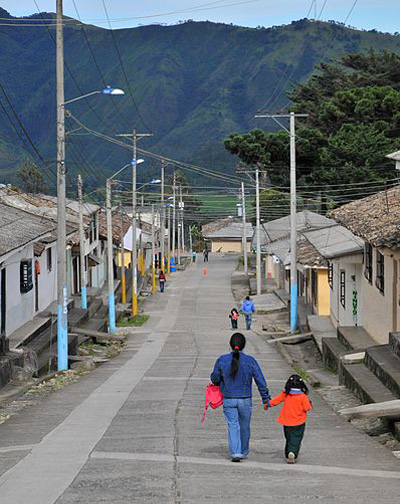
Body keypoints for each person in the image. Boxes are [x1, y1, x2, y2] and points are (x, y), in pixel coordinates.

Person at [211, 333, 270, 462]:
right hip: (245, 400)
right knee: (244, 426)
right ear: (244, 345)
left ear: (230, 344)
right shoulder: (250, 361)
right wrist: (265, 399)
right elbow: (260, 380)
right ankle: (243, 451)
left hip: (228, 399)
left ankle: (235, 452)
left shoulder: (222, 359)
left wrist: (221, 380)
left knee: (233, 425)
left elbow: (214, 378)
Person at [264, 374, 312, 464]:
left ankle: (287, 453)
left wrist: (268, 404)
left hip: (286, 421)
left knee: (288, 437)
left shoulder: (285, 394)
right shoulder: (303, 397)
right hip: (299, 422)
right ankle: (292, 452)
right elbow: (307, 408)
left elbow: (276, 400)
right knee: (296, 438)